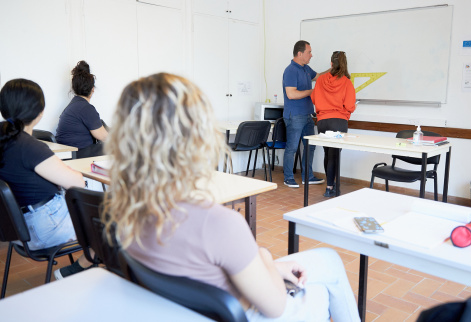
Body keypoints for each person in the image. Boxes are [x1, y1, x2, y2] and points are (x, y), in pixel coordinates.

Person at [102, 72, 360, 321]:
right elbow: (276, 307)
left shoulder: (122, 212)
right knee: (329, 267)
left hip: (186, 310)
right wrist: (267, 259)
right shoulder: (218, 224)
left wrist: (268, 264)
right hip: (243, 314)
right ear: (197, 139)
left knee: (318, 263)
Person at [0, 78, 94, 279]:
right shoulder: (29, 146)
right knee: (111, 219)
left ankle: (88, 266)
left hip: (13, 230)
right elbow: (76, 182)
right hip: (43, 228)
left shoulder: (5, 138)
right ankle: (78, 269)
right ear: (38, 112)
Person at [311, 51, 356, 197]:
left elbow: (314, 99)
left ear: (331, 64)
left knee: (327, 153)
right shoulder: (346, 82)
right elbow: (350, 106)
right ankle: (332, 187)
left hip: (322, 122)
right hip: (338, 122)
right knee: (335, 154)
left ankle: (329, 186)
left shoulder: (320, 80)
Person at [282, 40, 325, 188]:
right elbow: (291, 94)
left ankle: (308, 176)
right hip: (295, 116)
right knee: (292, 147)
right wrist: (313, 91)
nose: (311, 55)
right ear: (300, 54)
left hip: (307, 115)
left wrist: (333, 70)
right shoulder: (290, 71)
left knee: (310, 146)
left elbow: (318, 76)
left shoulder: (306, 68)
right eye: (309, 52)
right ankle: (288, 178)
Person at [56, 60, 108, 158]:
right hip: (79, 154)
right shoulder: (86, 108)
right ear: (92, 89)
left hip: (68, 154)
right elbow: (103, 136)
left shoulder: (73, 105)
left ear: (74, 88)